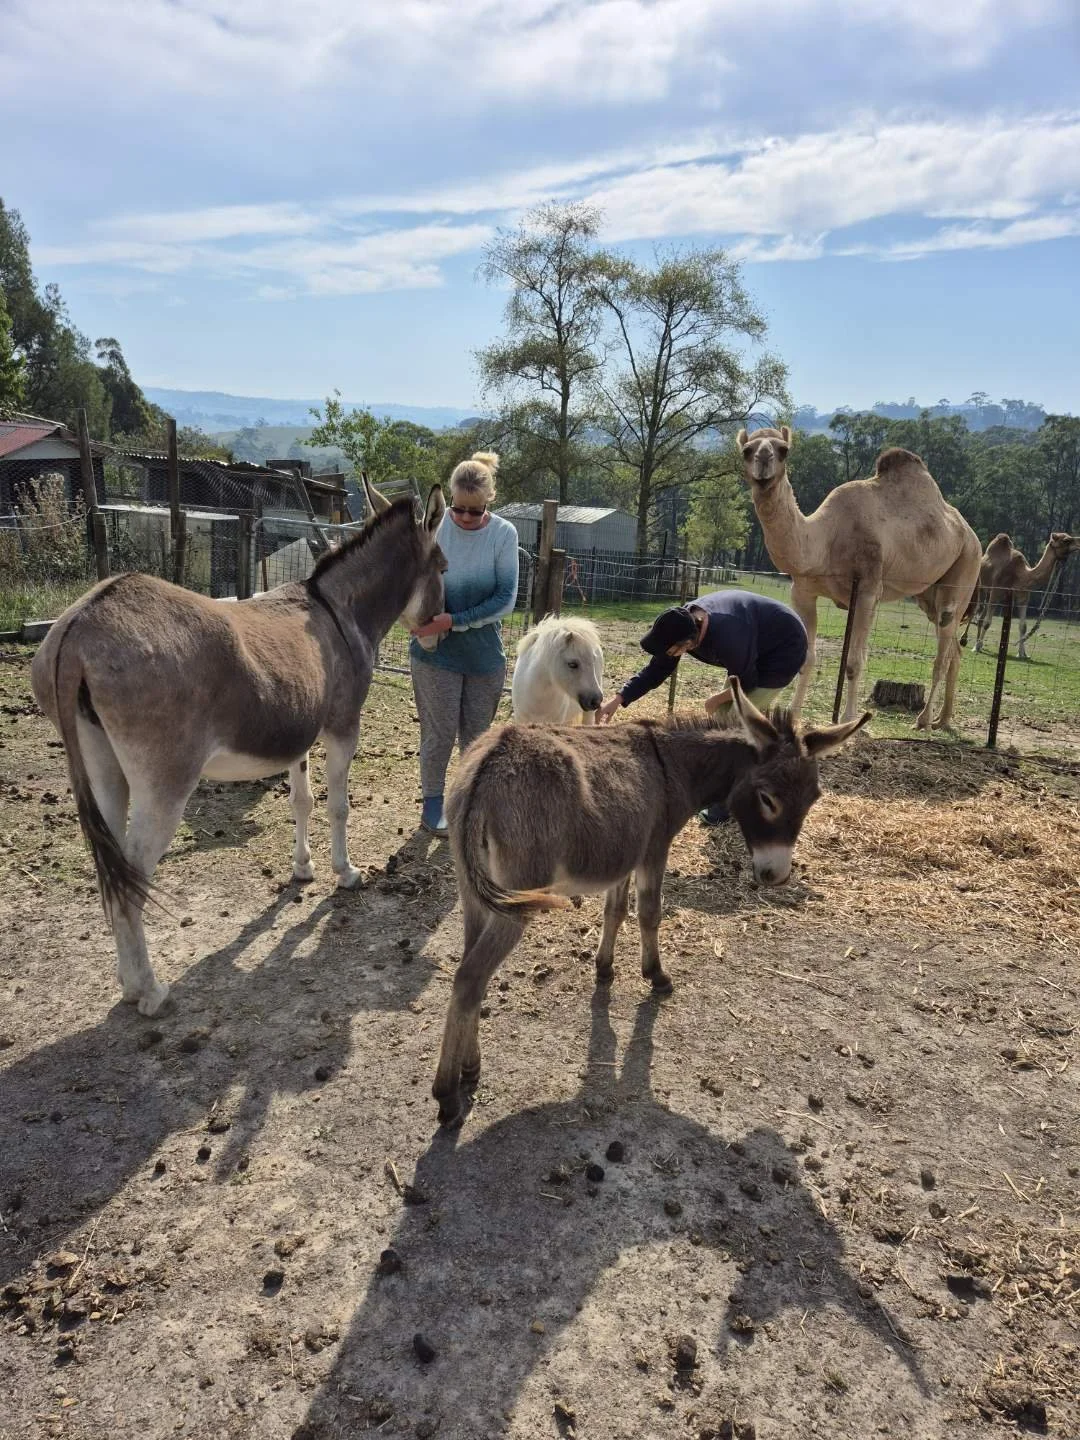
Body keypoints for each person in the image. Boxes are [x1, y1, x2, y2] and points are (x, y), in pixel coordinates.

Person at [596, 589, 808, 824]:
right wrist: (619, 699)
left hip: (784, 650)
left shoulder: (728, 636)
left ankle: (726, 804)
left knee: (736, 728)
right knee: (722, 718)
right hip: (753, 649)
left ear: (688, 643)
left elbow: (748, 683)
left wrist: (717, 698)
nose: (670, 655)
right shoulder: (683, 623)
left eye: (672, 650)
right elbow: (657, 669)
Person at [408, 452, 519, 837]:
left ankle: (469, 806)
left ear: (489, 501)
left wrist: (455, 620)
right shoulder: (435, 529)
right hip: (434, 652)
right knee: (438, 735)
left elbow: (506, 598)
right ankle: (433, 806)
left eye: (475, 511)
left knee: (476, 739)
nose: (466, 518)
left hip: (484, 656)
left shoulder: (504, 534)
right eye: (459, 509)